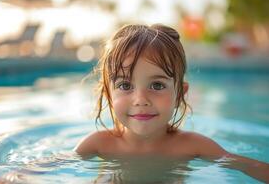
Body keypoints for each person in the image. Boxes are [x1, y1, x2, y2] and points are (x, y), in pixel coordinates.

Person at [74, 24, 269, 183]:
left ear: (179, 95)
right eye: (125, 85)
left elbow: (249, 166)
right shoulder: (99, 144)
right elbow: (49, 167)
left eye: (157, 85)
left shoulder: (192, 145)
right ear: (109, 95)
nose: (141, 99)